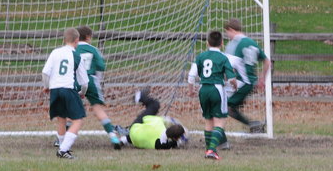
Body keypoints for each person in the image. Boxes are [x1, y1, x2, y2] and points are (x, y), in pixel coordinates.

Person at [187, 30, 237, 160]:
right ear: (222, 43)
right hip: (217, 89)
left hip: (203, 89)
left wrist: (191, 90)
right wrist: (235, 87)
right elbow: (231, 79)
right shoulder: (223, 58)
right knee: (219, 121)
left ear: (207, 43)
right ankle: (212, 150)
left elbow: (191, 76)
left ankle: (208, 149)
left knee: (208, 120)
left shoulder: (200, 56)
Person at [42, 27, 89, 159]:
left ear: (64, 40)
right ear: (77, 40)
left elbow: (45, 72)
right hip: (68, 88)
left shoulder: (55, 52)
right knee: (78, 120)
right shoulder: (76, 56)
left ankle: (62, 147)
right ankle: (63, 150)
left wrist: (47, 86)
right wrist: (82, 92)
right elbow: (85, 82)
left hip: (55, 89)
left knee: (61, 119)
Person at [75, 25, 122, 150]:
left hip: (75, 81)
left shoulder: (73, 49)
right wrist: (98, 80)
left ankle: (61, 139)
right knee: (98, 109)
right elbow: (101, 66)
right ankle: (113, 136)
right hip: (90, 80)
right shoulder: (93, 49)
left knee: (71, 110)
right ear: (88, 37)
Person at [224, 18, 270, 133]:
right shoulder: (252, 42)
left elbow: (229, 66)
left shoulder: (234, 44)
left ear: (231, 30)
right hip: (250, 82)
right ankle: (254, 125)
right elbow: (267, 61)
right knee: (228, 107)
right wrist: (262, 79)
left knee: (224, 106)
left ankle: (254, 125)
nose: (227, 35)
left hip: (242, 82)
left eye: (227, 32)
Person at [114, 88, 188, 150]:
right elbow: (173, 144)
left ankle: (140, 96)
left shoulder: (159, 122)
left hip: (134, 130)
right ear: (174, 138)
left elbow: (145, 118)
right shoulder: (162, 145)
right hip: (136, 141)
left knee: (155, 105)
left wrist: (167, 120)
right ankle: (123, 139)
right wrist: (180, 142)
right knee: (143, 137)